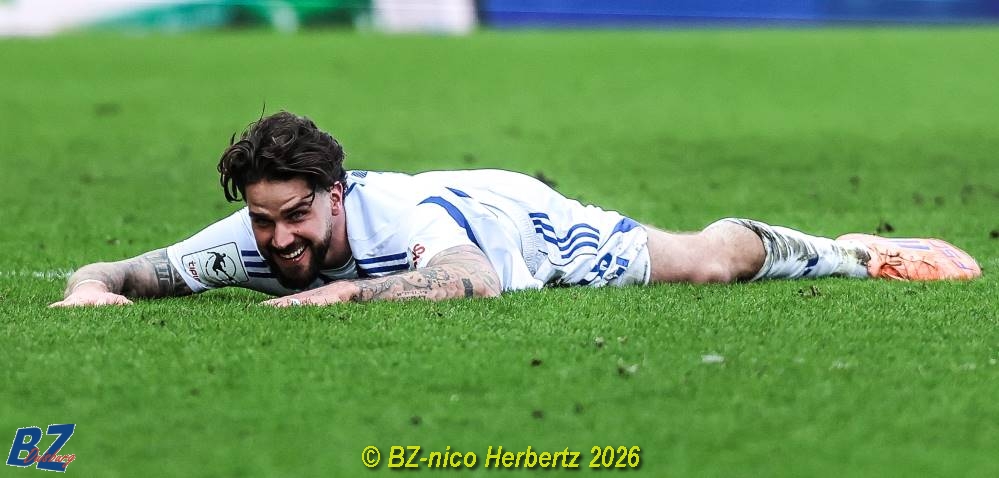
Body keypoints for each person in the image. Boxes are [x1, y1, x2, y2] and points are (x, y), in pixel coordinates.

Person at [49, 112, 981, 308]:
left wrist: (344, 293)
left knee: (704, 264)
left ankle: (851, 251)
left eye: (294, 216)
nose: (278, 240)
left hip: (513, 222)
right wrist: (92, 288)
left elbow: (472, 279)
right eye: (263, 222)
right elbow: (124, 270)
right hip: (465, 209)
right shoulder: (250, 239)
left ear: (335, 193)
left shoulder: (394, 222)